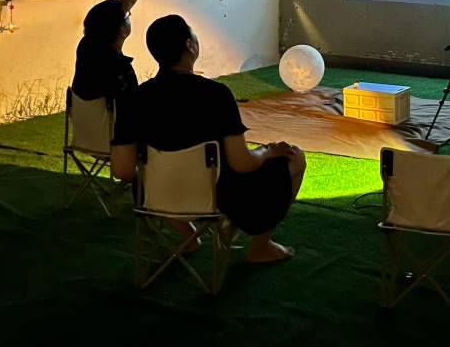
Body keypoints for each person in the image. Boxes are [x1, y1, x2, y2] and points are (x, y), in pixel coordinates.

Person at [111, 14, 305, 263]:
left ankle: (189, 236)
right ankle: (260, 246)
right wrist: (268, 150)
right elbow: (242, 163)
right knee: (295, 157)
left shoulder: (134, 99)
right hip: (219, 197)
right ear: (190, 45)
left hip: (156, 196)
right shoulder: (216, 94)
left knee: (147, 178)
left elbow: (122, 171)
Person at [71, 0, 173, 103]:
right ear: (122, 30)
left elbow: (125, 3)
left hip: (88, 118)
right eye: (127, 16)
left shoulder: (86, 48)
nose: (129, 13)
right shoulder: (120, 70)